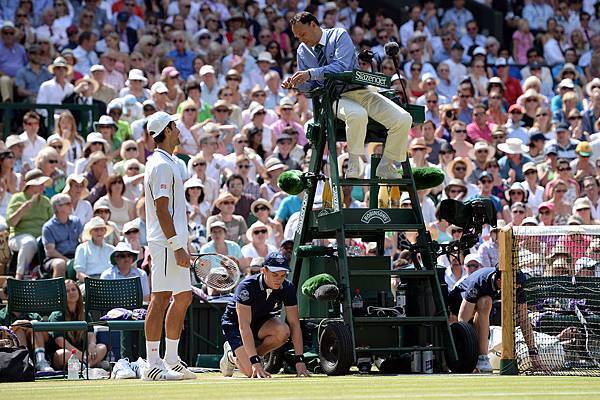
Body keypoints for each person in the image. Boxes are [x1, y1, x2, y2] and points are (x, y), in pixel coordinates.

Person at [283, 12, 412, 180]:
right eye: (297, 36)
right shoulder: (302, 51)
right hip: (333, 98)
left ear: (313, 25)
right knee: (357, 114)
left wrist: (310, 73)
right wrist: (296, 83)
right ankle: (353, 163)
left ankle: (386, 165)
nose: (300, 39)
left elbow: (342, 67)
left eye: (302, 34)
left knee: (403, 118)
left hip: (360, 91)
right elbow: (310, 87)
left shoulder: (338, 34)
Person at [142, 111, 195, 380]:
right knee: (160, 298)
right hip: (164, 243)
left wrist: (183, 243)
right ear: (169, 129)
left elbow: (172, 210)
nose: (179, 129)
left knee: (184, 296)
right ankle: (152, 364)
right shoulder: (161, 165)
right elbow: (162, 211)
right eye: (175, 125)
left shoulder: (170, 162)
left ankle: (171, 359)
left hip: (174, 241)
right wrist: (175, 245)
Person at [220, 252, 310, 378]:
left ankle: (251, 355)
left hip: (261, 319)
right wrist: (255, 363)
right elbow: (244, 326)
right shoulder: (246, 286)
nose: (279, 279)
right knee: (252, 372)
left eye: (283, 275)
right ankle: (231, 356)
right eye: (275, 274)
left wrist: (300, 360)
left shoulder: (287, 287)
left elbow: (294, 324)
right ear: (264, 270)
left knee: (283, 331)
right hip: (235, 324)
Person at [447, 267, 543, 373]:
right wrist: (468, 359)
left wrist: (533, 352)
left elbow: (524, 320)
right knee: (485, 302)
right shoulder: (480, 282)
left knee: (485, 301)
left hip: (480, 305)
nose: (516, 289)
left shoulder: (517, 288)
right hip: (458, 301)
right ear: (500, 281)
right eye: (514, 286)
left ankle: (482, 358)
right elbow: (462, 321)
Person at [48, 280, 107, 370]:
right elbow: (59, 340)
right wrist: (80, 355)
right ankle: (91, 365)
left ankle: (85, 367)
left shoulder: (84, 313)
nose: (71, 292)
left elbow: (90, 333)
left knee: (102, 347)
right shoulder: (56, 315)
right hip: (66, 353)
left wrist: (92, 345)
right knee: (62, 354)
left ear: (79, 292)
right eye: (67, 291)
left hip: (84, 355)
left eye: (73, 289)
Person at [6, 169, 53, 280]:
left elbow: (51, 223)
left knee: (42, 242)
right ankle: (19, 276)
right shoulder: (18, 198)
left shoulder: (46, 201)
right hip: (19, 237)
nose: (43, 187)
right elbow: (10, 222)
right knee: (29, 242)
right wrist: (22, 209)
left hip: (41, 239)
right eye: (39, 184)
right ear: (31, 186)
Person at [41, 193, 82, 278]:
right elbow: (50, 251)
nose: (71, 205)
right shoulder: (48, 227)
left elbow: (83, 239)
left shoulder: (76, 221)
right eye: (68, 204)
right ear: (58, 207)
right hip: (55, 258)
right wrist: (67, 260)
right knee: (60, 264)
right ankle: (58, 290)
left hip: (76, 255)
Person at [73, 216, 114, 282]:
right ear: (90, 232)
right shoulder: (82, 248)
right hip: (88, 282)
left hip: (109, 281)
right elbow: (79, 274)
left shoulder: (111, 249)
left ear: (105, 232)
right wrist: (93, 282)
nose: (99, 232)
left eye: (102, 229)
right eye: (96, 230)